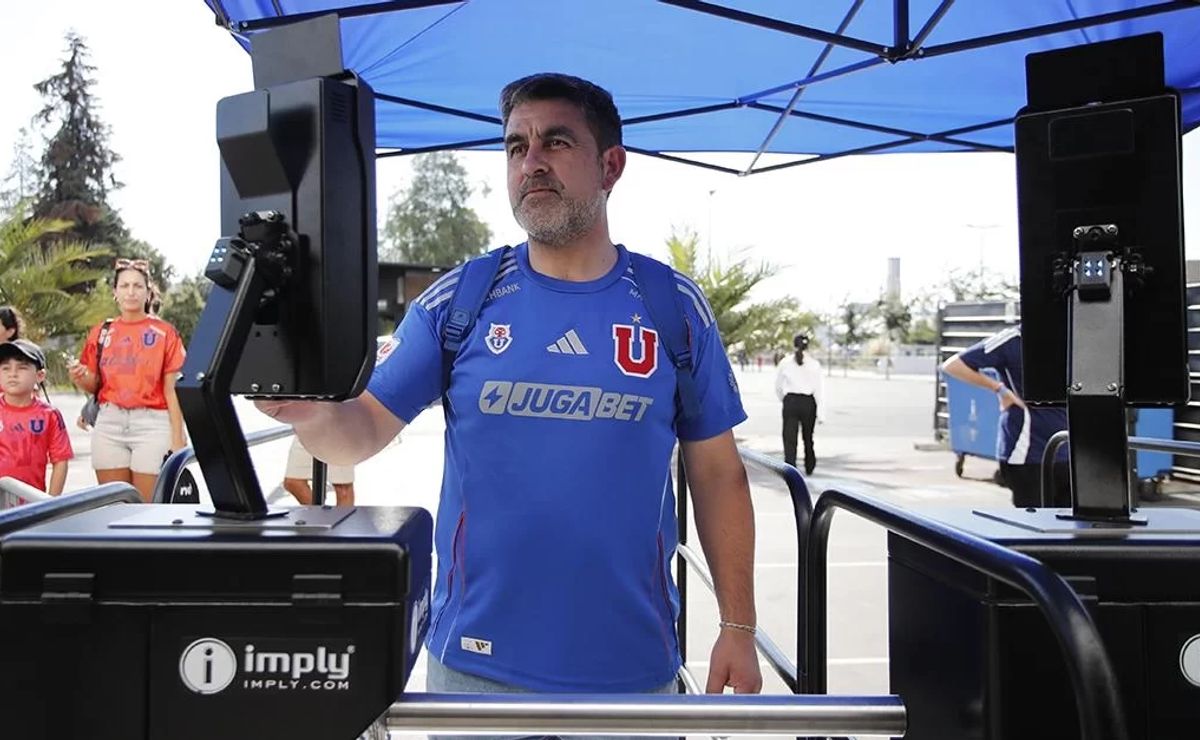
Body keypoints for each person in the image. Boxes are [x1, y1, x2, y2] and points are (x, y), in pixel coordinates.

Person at [258, 73, 761, 704]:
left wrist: (738, 626)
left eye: (555, 142)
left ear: (611, 165)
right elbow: (357, 434)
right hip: (473, 673)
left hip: (633, 674)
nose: (532, 163)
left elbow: (718, 475)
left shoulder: (672, 307)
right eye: (516, 147)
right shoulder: (459, 299)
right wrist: (306, 409)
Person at [68, 258, 187, 503]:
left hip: (153, 424)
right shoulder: (101, 332)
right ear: (115, 292)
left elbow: (172, 390)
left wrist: (178, 437)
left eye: (137, 286)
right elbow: (96, 386)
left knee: (149, 508)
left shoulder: (165, 333)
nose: (131, 292)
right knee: (115, 506)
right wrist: (81, 379)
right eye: (124, 286)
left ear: (148, 292)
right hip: (109, 423)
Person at [941, 325, 1071, 507]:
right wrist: (1000, 389)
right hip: (1028, 453)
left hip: (1068, 452)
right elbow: (953, 366)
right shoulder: (1013, 339)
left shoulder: (1073, 336)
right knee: (1034, 527)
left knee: (1067, 527)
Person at [0, 339, 73, 496]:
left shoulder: (49, 415)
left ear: (39, 375)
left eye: (22, 368)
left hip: (31, 500)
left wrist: (51, 503)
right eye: (5, 368)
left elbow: (60, 460)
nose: (12, 374)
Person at [774, 333, 824, 475]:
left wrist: (784, 399)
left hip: (791, 401)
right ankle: (810, 465)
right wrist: (821, 412)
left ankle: (791, 469)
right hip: (808, 402)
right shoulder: (814, 364)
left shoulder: (785, 362)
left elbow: (778, 386)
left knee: (790, 438)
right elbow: (819, 389)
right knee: (808, 437)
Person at [282, 436, 356, 506]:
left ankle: (328, 517)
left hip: (339, 428)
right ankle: (321, 517)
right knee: (293, 481)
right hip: (306, 428)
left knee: (342, 488)